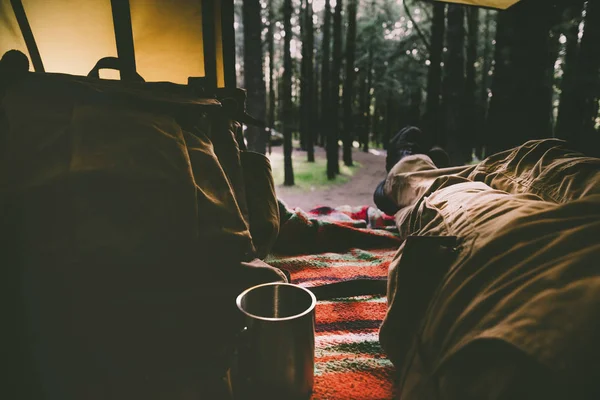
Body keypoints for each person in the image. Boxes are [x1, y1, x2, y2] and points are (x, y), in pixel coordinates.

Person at [375, 127, 600, 399]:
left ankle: (405, 175)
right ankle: (428, 170)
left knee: (455, 194)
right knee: (544, 158)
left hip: (557, 278)